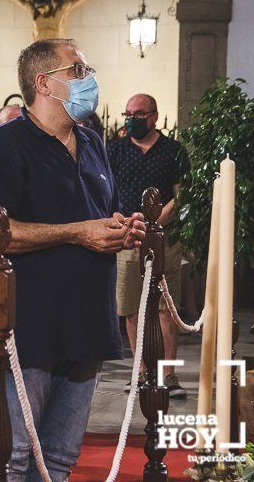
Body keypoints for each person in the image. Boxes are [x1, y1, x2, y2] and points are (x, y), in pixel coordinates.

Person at [0, 39, 146, 482]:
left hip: (87, 319)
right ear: (44, 83)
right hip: (29, 326)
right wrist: (76, 232)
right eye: (79, 71)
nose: (90, 79)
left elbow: (101, 215)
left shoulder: (92, 142)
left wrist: (124, 227)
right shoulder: (2, 147)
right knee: (10, 458)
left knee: (60, 458)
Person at [107, 93, 190, 398]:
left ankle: (168, 375)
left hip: (164, 236)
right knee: (132, 308)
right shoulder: (114, 150)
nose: (132, 119)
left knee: (167, 308)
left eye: (139, 114)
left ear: (154, 116)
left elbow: (181, 195)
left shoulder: (173, 151)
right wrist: (126, 222)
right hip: (128, 235)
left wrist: (155, 221)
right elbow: (107, 191)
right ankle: (142, 372)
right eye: (127, 113)